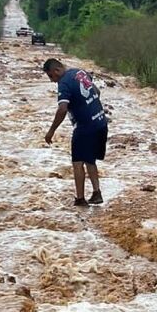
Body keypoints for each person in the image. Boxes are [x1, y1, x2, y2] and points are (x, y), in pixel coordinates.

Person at [42, 58, 108, 206]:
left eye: (51, 76)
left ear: (57, 70)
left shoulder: (64, 83)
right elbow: (96, 91)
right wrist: (90, 107)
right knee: (89, 159)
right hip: (101, 122)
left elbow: (62, 109)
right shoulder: (80, 72)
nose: (52, 81)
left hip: (85, 127)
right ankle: (97, 193)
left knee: (78, 162)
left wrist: (51, 131)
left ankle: (80, 199)